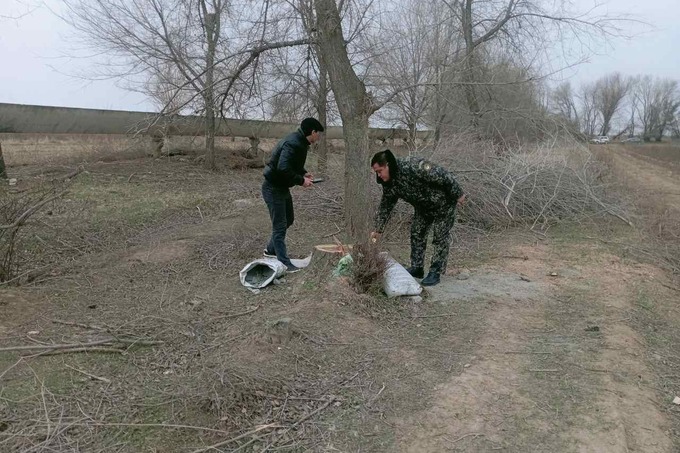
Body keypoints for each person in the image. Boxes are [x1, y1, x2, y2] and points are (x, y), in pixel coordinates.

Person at [370, 149, 465, 286]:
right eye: (376, 172)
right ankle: (417, 267)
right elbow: (386, 206)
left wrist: (458, 194)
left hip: (443, 204)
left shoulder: (413, 166)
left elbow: (442, 174)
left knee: (440, 237)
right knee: (417, 233)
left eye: (380, 171)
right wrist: (378, 230)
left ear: (388, 165)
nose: (379, 176)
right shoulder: (390, 184)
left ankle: (435, 272)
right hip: (423, 208)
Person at [262, 117, 324, 272]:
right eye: (319, 134)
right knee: (280, 225)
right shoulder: (293, 143)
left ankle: (270, 251)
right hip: (273, 187)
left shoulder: (300, 141)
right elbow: (282, 168)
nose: (320, 138)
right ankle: (284, 262)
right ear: (313, 132)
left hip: (281, 187)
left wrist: (304, 174)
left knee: (288, 219)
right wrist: (301, 181)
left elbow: (291, 164)